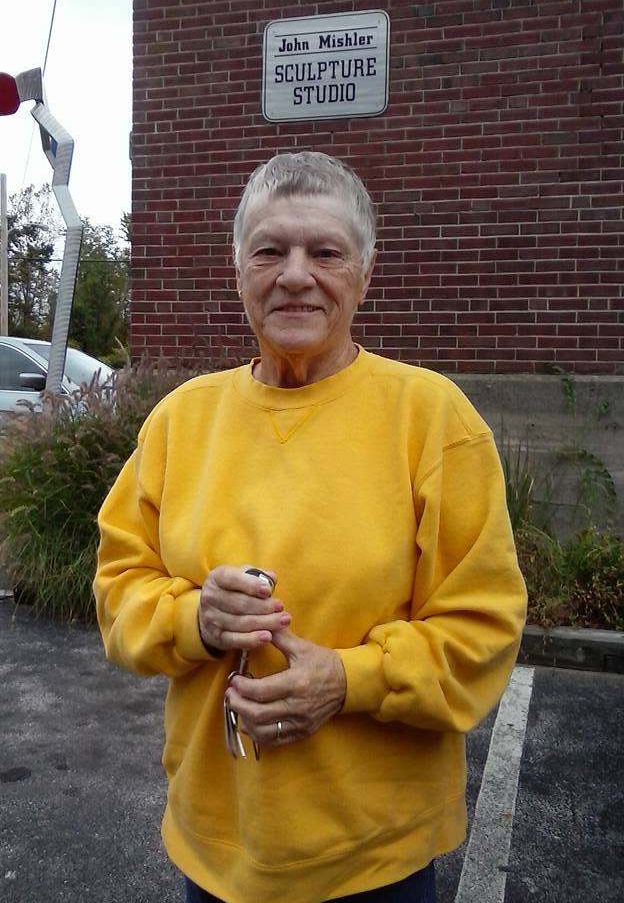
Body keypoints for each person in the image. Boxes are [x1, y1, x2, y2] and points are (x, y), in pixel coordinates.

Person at [94, 151, 527, 903]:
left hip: (376, 856)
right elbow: (118, 586)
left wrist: (350, 680)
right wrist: (196, 619)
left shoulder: (432, 419)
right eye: (270, 251)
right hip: (217, 843)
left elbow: (483, 627)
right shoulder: (179, 422)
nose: (296, 275)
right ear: (238, 268)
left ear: (365, 272)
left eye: (325, 252)